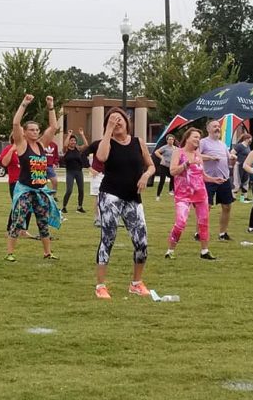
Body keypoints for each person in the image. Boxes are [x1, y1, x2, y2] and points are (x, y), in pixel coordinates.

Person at [94, 107, 156, 299]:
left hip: (133, 198)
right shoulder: (108, 142)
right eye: (112, 120)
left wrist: (146, 175)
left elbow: (151, 165)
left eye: (119, 118)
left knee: (142, 242)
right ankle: (100, 286)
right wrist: (108, 131)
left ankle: (136, 283)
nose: (117, 122)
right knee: (108, 238)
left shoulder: (138, 142)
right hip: (110, 195)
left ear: (127, 121)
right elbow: (101, 157)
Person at [5, 94, 61, 261]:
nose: (35, 132)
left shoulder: (42, 145)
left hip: (40, 191)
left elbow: (54, 126)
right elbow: (15, 123)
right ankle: (10, 253)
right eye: (32, 130)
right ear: (25, 132)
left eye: (37, 130)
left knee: (43, 223)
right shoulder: (22, 145)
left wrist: (51, 106)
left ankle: (47, 253)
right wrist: (24, 104)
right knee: (18, 221)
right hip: (24, 190)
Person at [165, 128, 218, 260]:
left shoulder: (198, 154)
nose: (197, 140)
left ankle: (204, 251)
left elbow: (201, 174)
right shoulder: (178, 152)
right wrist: (186, 164)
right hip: (183, 194)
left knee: (204, 222)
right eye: (195, 137)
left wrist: (212, 179)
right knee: (180, 222)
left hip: (200, 193)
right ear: (187, 138)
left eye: (199, 138)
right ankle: (170, 250)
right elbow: (172, 171)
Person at [200, 119, 238, 241]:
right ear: (208, 129)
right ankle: (199, 233)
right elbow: (196, 156)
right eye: (214, 126)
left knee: (227, 206)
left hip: (224, 179)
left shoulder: (222, 144)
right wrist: (210, 157)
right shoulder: (203, 142)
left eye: (218, 126)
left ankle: (223, 233)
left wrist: (232, 159)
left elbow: (229, 162)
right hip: (209, 179)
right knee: (206, 207)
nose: (217, 128)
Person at [0, 142, 35, 239]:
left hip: (28, 181)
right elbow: (4, 163)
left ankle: (24, 230)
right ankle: (9, 229)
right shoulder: (9, 148)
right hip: (15, 182)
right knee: (17, 206)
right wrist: (12, 150)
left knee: (29, 206)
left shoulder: (28, 149)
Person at [61, 129, 89, 213]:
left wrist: (82, 134)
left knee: (81, 190)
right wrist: (69, 135)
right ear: (69, 142)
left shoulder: (78, 149)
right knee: (69, 190)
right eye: (71, 141)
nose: (73, 142)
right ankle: (64, 207)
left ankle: (79, 207)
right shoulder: (66, 150)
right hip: (70, 172)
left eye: (74, 141)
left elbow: (86, 145)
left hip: (79, 172)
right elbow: (65, 145)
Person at [153, 134, 177, 201]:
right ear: (167, 140)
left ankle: (171, 191)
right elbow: (156, 152)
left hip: (171, 166)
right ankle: (158, 196)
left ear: (174, 140)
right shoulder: (165, 147)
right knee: (162, 181)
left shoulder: (176, 148)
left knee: (173, 178)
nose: (171, 140)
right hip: (164, 166)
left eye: (172, 139)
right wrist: (161, 157)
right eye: (169, 139)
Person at [233, 133, 253, 203]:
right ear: (246, 139)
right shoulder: (239, 146)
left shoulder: (248, 146)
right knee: (237, 181)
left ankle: (244, 198)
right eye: (250, 138)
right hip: (239, 166)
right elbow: (232, 153)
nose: (251, 140)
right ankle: (233, 197)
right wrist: (236, 159)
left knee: (245, 181)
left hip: (246, 166)